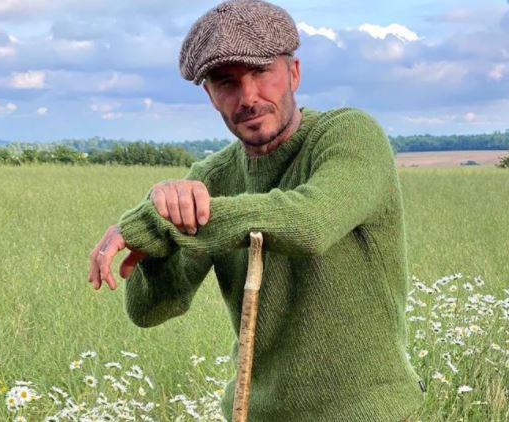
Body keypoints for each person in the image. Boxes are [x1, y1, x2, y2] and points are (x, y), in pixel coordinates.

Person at [88, 0, 425, 420]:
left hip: (372, 412)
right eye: (226, 82)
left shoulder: (349, 135)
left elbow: (311, 222)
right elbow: (150, 310)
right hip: (254, 413)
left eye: (262, 72)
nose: (248, 97)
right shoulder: (211, 180)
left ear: (294, 73)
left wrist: (154, 223)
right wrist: (159, 244)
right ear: (210, 95)